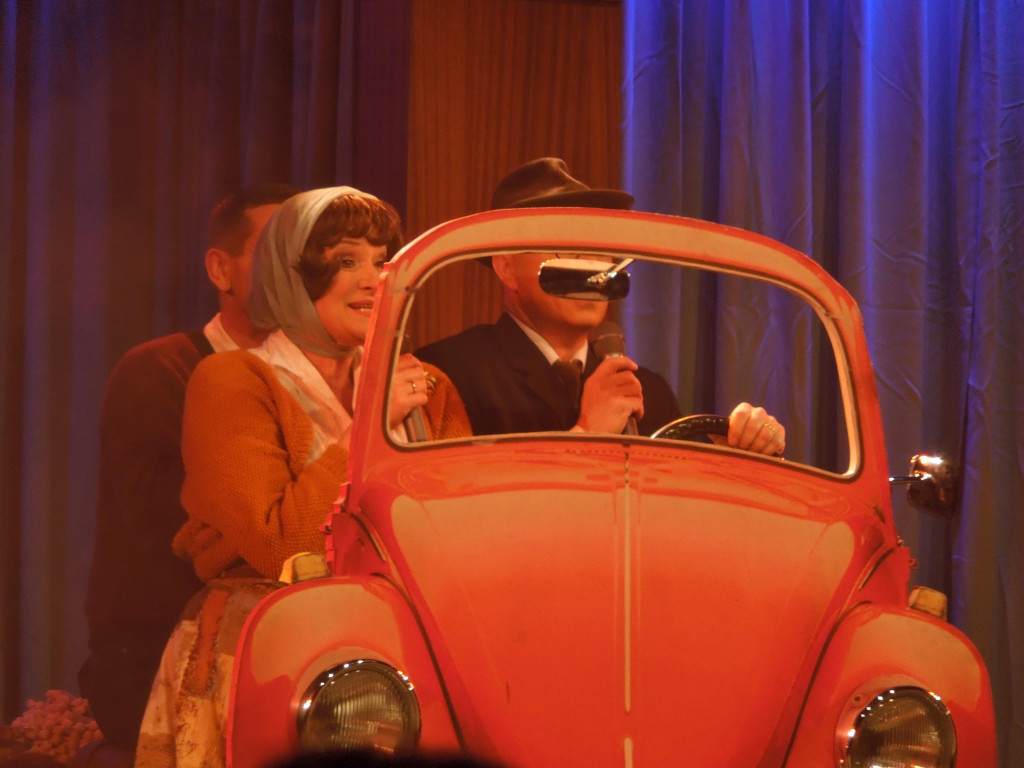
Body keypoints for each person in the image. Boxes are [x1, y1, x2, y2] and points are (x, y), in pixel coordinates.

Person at [134, 187, 471, 768]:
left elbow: (463, 535)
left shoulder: (425, 386)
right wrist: (369, 425)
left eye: (382, 260)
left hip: (397, 658)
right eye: (346, 261)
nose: (373, 280)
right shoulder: (233, 380)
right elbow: (281, 545)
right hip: (269, 651)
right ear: (291, 273)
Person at [79, 182, 299, 754]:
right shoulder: (161, 371)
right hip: (161, 656)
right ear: (221, 269)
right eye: (274, 250)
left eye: (306, 251)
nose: (296, 269)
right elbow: (177, 525)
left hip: (290, 646)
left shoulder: (329, 380)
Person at [417, 157, 786, 454]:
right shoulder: (449, 375)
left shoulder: (646, 390)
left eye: (598, 249)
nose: (589, 266)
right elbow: (460, 506)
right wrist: (587, 431)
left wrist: (740, 447)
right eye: (566, 247)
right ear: (507, 268)